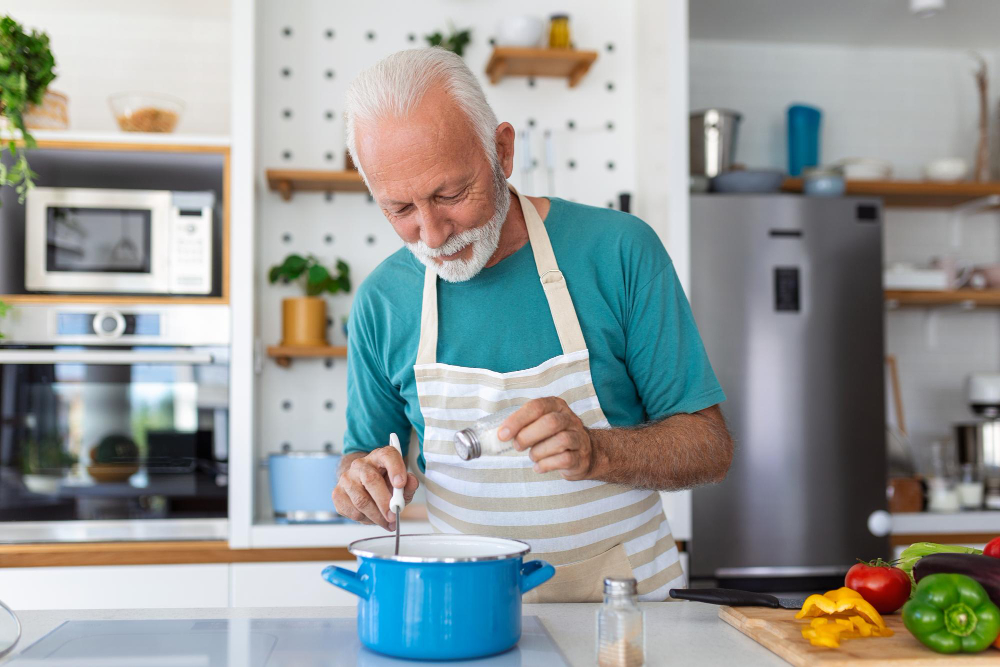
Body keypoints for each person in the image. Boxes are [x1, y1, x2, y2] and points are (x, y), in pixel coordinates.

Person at [332, 48, 733, 602]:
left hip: (630, 612)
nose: (430, 233)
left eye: (450, 195)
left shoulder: (617, 250)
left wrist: (598, 452)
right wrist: (360, 482)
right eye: (399, 209)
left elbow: (709, 448)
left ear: (502, 150)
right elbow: (364, 455)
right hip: (467, 612)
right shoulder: (383, 301)